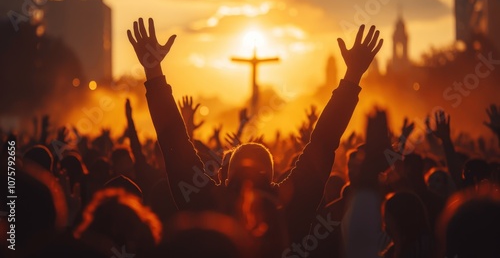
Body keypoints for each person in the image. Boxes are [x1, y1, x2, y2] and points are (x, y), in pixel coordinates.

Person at [127, 17, 383, 251]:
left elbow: (174, 145)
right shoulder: (291, 205)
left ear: (225, 176)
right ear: (272, 179)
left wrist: (154, 72)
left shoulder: (206, 204)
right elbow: (323, 143)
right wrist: (352, 76)